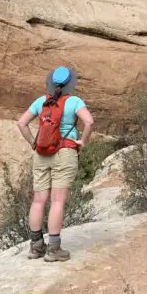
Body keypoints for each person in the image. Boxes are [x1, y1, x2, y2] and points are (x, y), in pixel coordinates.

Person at [16, 65, 94, 261]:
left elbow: (21, 123)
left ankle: (35, 247)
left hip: (42, 153)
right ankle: (53, 249)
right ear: (70, 84)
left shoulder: (42, 101)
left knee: (38, 200)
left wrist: (33, 142)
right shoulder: (74, 101)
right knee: (57, 200)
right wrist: (82, 141)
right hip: (65, 152)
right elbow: (89, 121)